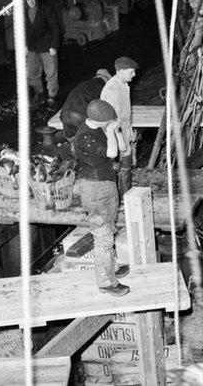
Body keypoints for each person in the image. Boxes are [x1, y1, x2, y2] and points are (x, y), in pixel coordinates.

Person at [72, 99, 131, 297]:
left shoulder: (98, 129)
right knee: (103, 237)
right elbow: (113, 153)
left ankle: (112, 268)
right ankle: (106, 282)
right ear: (102, 120)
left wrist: (116, 131)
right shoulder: (85, 137)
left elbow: (122, 149)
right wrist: (111, 131)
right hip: (95, 190)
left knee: (109, 230)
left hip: (105, 185)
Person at [101, 56, 139, 196]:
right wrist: (120, 140)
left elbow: (124, 114)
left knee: (125, 164)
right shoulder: (113, 90)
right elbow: (112, 120)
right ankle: (123, 197)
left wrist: (129, 130)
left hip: (123, 131)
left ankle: (124, 193)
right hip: (115, 135)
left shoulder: (122, 85)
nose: (134, 75)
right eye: (131, 72)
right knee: (122, 165)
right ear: (121, 71)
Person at [24, 0, 60, 106]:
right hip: (32, 48)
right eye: (29, 0)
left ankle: (52, 96)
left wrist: (54, 46)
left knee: (51, 73)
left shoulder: (46, 9)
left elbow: (55, 27)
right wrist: (24, 45)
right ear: (25, 0)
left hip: (47, 47)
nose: (32, 2)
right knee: (32, 73)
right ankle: (39, 94)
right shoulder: (24, 13)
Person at [61, 69, 112, 141]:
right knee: (98, 137)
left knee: (73, 135)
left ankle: (73, 146)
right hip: (80, 114)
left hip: (64, 114)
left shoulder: (86, 84)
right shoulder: (104, 87)